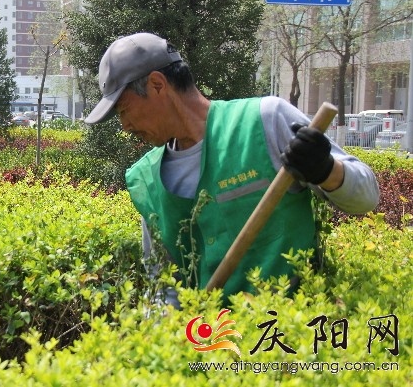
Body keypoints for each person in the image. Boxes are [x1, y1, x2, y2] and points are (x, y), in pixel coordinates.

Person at [84, 32, 380, 306]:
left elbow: (366, 197)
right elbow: (163, 288)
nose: (125, 126)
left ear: (157, 85)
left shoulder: (265, 120)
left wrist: (326, 170)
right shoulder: (146, 179)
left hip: (284, 335)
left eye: (124, 110)